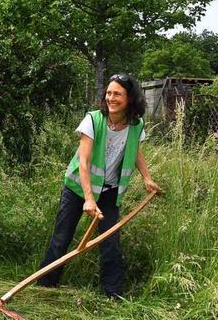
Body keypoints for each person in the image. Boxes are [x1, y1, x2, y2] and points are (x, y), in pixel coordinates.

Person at [37, 74, 160, 298]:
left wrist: (147, 177)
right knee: (62, 237)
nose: (111, 98)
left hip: (109, 191)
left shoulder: (136, 124)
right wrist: (88, 198)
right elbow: (83, 162)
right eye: (109, 93)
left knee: (110, 242)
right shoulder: (93, 120)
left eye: (117, 94)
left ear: (130, 98)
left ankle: (113, 294)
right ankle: (46, 285)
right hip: (77, 190)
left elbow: (136, 150)